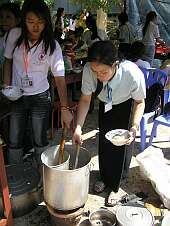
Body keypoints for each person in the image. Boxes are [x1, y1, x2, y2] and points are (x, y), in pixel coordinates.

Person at [72, 40, 145, 206]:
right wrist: (78, 127)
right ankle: (105, 177)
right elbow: (85, 99)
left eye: (103, 72)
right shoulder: (89, 70)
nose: (98, 75)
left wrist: (134, 127)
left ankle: (116, 186)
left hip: (125, 104)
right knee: (105, 142)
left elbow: (140, 102)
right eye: (95, 71)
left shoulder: (132, 73)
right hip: (106, 103)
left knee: (122, 145)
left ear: (115, 64)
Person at [3, 0, 72, 166]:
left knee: (39, 138)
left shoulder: (52, 45)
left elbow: (60, 79)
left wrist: (64, 109)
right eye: (31, 21)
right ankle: (15, 175)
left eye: (40, 22)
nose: (36, 26)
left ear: (46, 22)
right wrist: (7, 87)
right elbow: (7, 61)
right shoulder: (14, 35)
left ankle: (42, 175)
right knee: (14, 138)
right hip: (17, 96)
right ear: (23, 20)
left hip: (40, 97)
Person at [0, 2, 21, 83]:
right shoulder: (3, 37)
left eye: (8, 17)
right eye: (1, 16)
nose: (3, 20)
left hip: (14, 82)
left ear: (18, 20)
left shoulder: (18, 38)